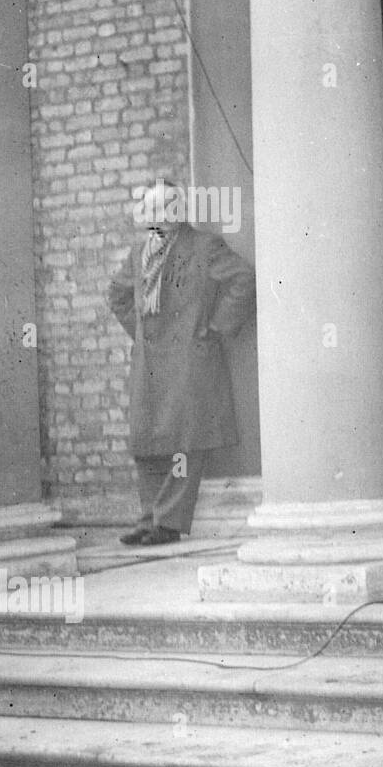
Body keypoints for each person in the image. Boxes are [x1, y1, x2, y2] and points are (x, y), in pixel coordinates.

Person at [108, 180, 255, 546]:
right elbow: (118, 295)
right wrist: (140, 333)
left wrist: (215, 328)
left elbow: (243, 280)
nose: (160, 216)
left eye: (168, 208)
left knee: (184, 440)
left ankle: (168, 523)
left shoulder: (204, 246)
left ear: (180, 211)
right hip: (151, 363)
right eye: (153, 209)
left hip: (190, 358)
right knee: (147, 441)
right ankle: (148, 520)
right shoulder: (139, 251)